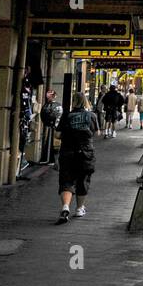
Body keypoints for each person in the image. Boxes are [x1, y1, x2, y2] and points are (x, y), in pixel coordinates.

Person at [56, 92, 98, 222]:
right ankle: (79, 209)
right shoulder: (91, 116)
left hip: (67, 152)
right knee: (83, 180)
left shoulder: (66, 116)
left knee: (66, 181)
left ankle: (65, 206)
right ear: (85, 101)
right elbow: (96, 133)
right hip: (85, 153)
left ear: (73, 101)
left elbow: (57, 135)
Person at [38, 88, 62, 164]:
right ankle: (48, 158)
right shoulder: (51, 105)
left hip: (51, 126)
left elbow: (59, 116)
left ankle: (50, 158)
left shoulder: (50, 105)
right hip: (49, 125)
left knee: (50, 142)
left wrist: (55, 125)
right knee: (48, 141)